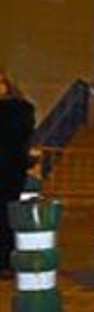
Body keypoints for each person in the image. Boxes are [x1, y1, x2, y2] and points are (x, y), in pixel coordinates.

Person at [0, 71, 36, 277]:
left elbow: (18, 137)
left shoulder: (18, 109)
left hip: (8, 171)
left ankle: (6, 262)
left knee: (5, 218)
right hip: (12, 167)